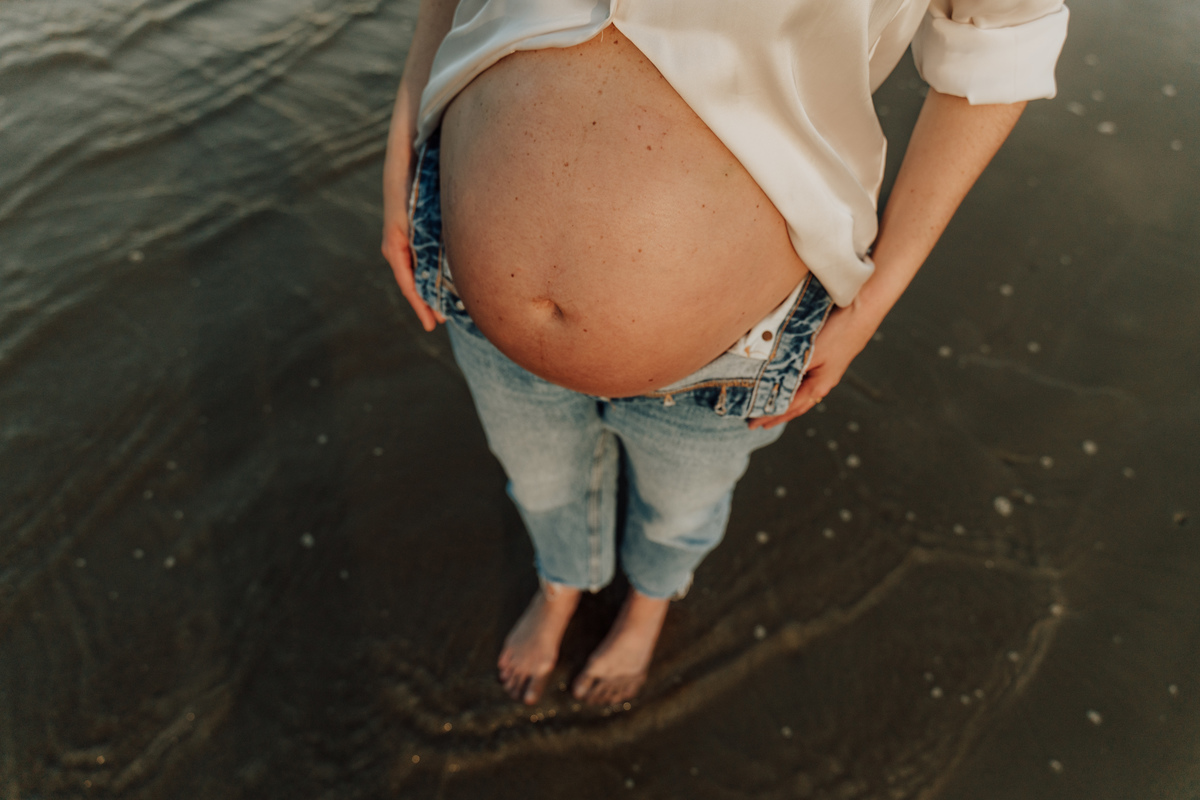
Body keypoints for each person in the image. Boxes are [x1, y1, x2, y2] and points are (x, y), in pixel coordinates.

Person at [381, 0, 1069, 707]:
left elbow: (1003, 37)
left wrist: (874, 300)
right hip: (469, 277)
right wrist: (405, 127)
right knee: (537, 480)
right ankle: (560, 583)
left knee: (680, 510)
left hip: (734, 345)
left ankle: (648, 604)